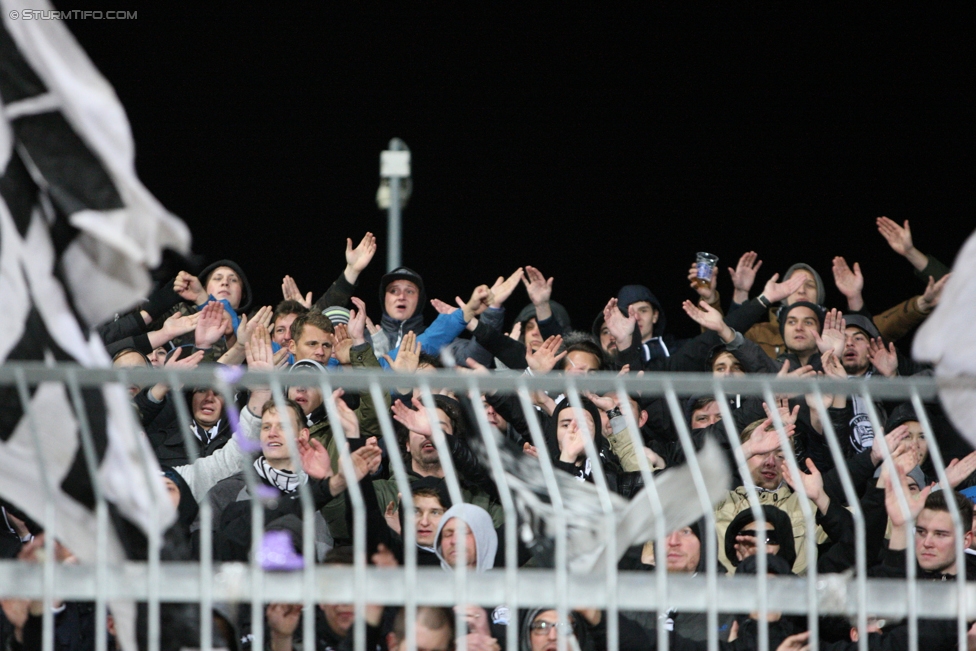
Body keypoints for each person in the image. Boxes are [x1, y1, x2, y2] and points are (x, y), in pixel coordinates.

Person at [433, 503, 498, 572]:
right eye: (448, 534)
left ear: (484, 539)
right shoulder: (425, 581)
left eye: (464, 533)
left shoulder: (506, 581)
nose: (454, 541)